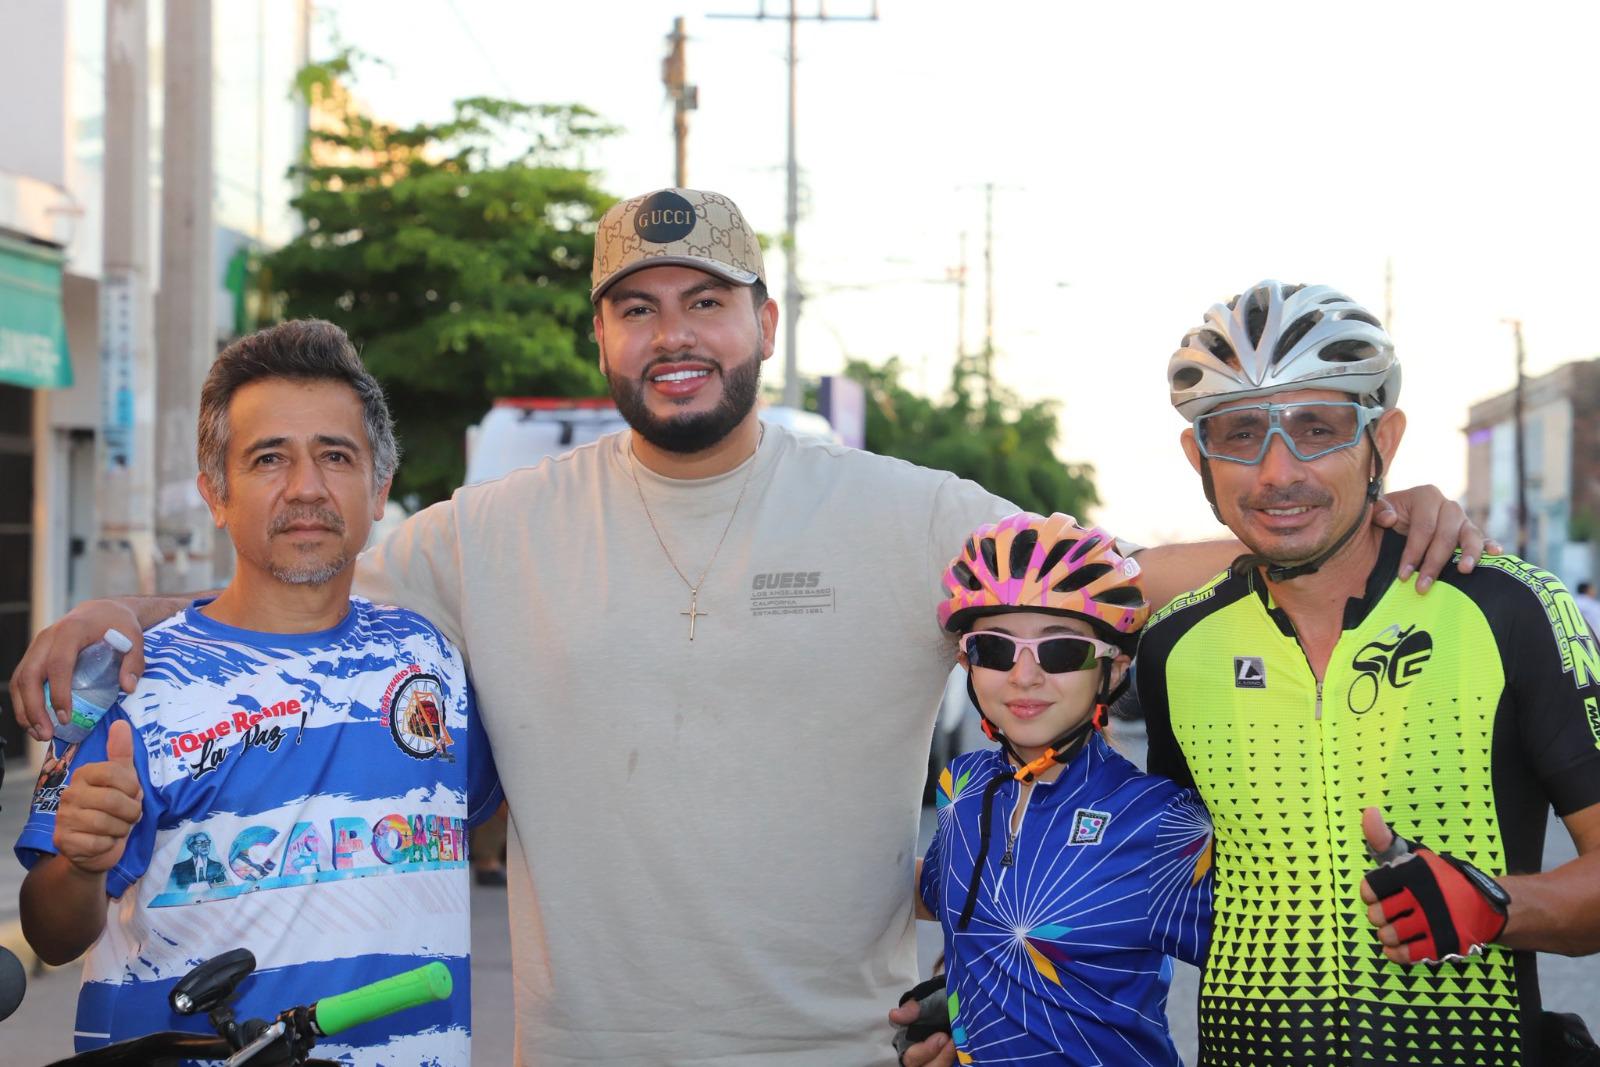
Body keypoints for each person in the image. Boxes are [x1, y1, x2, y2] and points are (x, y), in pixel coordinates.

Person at [13, 193, 1487, 1067]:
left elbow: (1119, 569)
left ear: (764, 322)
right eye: (638, 305)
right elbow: (303, 565)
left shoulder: (904, 511)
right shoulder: (487, 531)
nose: (675, 333)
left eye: (706, 300)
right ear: (599, 335)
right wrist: (117, 609)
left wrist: (1356, 511)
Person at [1136, 280, 1600, 1066]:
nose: (1278, 470)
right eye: (1241, 433)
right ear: (1198, 455)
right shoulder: (1174, 645)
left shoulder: (1510, 607)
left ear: (1382, 439)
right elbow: (1144, 875)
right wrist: (987, 989)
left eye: (1318, 428)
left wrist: (1497, 904)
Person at [14, 320, 502, 1063]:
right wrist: (82, 862)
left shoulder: (430, 657)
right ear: (217, 492)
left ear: (379, 489)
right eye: (269, 457)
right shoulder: (137, 684)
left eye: (335, 456)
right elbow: (51, 929)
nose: (306, 488)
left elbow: (489, 816)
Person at [915, 512, 1213, 1064]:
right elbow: (946, 896)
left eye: (1061, 652)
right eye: (995, 650)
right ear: (967, 662)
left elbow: (1290, 955)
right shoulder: (963, 787)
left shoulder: (1158, 821)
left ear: (1114, 670)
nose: (1024, 676)